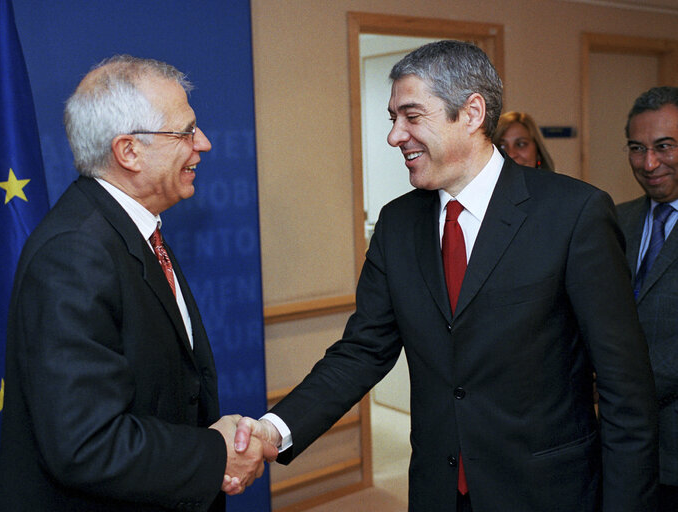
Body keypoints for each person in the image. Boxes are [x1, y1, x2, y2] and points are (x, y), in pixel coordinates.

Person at [236, 40, 658, 511]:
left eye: (412, 116)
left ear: (472, 112)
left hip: (546, 491)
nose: (395, 136)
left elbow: (626, 389)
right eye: (393, 119)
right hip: (438, 491)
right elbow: (361, 352)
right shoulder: (397, 225)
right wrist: (274, 429)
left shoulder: (573, 213)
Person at [0, 55, 275, 512]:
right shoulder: (75, 252)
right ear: (129, 152)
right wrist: (216, 453)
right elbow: (86, 443)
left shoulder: (131, 229)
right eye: (185, 131)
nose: (202, 143)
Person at [616, 86, 678, 512]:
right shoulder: (614, 220)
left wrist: (619, 389)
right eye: (638, 149)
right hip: (621, 450)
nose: (649, 164)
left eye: (664, 147)